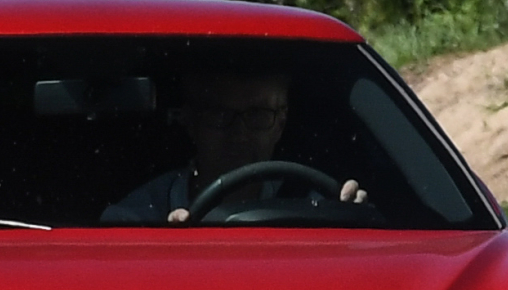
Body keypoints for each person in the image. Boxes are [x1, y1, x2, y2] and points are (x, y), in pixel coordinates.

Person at [104, 71, 365, 223]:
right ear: (191, 123)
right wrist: (164, 253)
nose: (239, 134)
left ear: (280, 125)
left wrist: (356, 226)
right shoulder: (138, 220)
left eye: (258, 115)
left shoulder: (314, 209)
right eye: (219, 115)